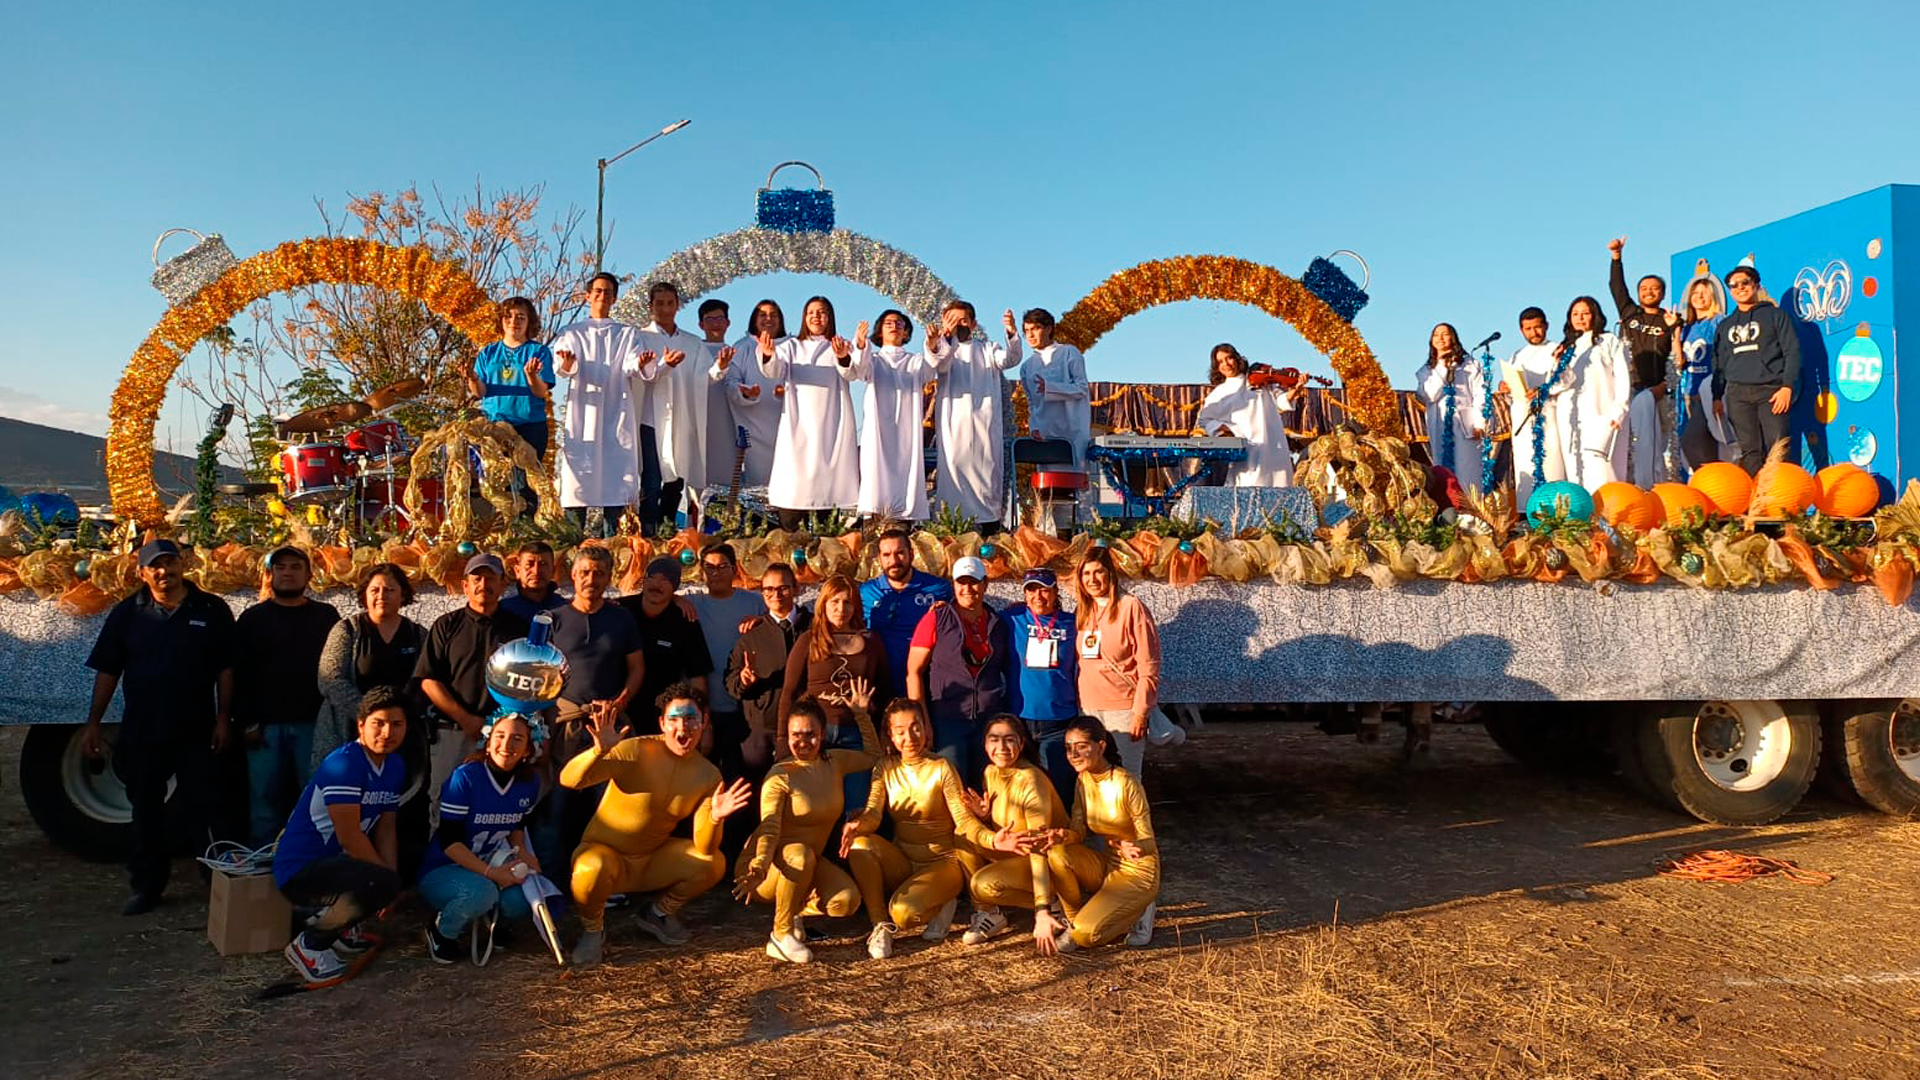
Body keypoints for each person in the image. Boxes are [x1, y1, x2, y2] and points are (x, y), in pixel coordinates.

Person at [82, 538, 235, 915]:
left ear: (183, 565)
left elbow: (226, 669)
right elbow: (108, 669)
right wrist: (93, 723)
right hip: (144, 730)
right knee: (146, 811)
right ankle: (147, 887)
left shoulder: (211, 609)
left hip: (196, 728)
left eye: (170, 563)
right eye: (155, 566)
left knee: (207, 807)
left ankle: (215, 883)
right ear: (142, 572)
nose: (164, 571)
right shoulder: (126, 613)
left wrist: (222, 718)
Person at [562, 683, 753, 964]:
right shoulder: (636, 750)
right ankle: (593, 931)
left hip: (650, 861)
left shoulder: (708, 775)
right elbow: (569, 780)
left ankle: (658, 913)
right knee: (592, 867)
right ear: (662, 723)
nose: (682, 728)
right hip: (606, 856)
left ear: (704, 722)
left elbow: (705, 846)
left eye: (690, 719)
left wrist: (714, 817)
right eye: (674, 719)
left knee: (713, 863)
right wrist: (598, 752)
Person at [839, 698, 1001, 958]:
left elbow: (963, 821)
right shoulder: (885, 767)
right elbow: (873, 814)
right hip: (903, 860)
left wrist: (993, 840)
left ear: (926, 728)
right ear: (890, 736)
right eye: (900, 731)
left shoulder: (941, 767)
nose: (910, 737)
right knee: (860, 843)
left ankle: (940, 902)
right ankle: (880, 925)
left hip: (942, 863)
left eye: (916, 727)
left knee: (904, 914)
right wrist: (857, 824)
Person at [731, 684, 879, 963]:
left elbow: (873, 757)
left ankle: (793, 910)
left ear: (822, 735)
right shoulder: (780, 776)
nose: (802, 742)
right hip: (768, 867)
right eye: (795, 735)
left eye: (810, 735)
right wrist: (759, 864)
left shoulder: (834, 761)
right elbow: (770, 827)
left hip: (807, 864)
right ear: (787, 737)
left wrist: (861, 715)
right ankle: (780, 933)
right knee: (799, 854)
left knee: (846, 901)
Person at [273, 686, 408, 984]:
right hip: (302, 869)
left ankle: (342, 927)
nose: (387, 732)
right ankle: (310, 944)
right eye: (379, 723)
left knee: (403, 866)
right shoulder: (344, 763)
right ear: (361, 725)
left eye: (397, 724)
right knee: (380, 881)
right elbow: (350, 837)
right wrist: (386, 883)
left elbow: (386, 828)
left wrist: (392, 879)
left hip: (338, 863)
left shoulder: (394, 765)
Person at [312, 562, 429, 877]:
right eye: (375, 589)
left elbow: (426, 681)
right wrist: (371, 717)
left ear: (403, 594)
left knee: (395, 810)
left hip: (400, 739)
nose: (382, 596)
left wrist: (396, 721)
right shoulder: (347, 630)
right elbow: (330, 678)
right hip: (347, 735)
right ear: (364, 593)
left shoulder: (418, 634)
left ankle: (393, 879)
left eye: (390, 590)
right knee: (348, 811)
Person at [538, 545, 645, 872]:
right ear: (572, 576)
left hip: (607, 727)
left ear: (609, 577)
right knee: (555, 806)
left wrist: (620, 701)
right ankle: (550, 881)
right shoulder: (552, 620)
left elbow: (637, 668)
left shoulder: (621, 618)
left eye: (599, 573)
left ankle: (603, 879)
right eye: (585, 572)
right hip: (563, 727)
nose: (591, 579)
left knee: (606, 809)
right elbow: (537, 675)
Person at [229, 546, 339, 845]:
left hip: (313, 726)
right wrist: (247, 722)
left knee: (314, 801)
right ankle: (261, 871)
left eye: (295, 567)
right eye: (280, 568)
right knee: (264, 805)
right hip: (264, 729)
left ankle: (311, 867)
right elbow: (238, 675)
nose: (287, 572)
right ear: (270, 575)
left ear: (309, 575)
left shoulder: (326, 616)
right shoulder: (253, 620)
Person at [958, 714, 1090, 952]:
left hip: (1048, 861)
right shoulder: (990, 772)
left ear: (1021, 743)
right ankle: (988, 914)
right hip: (1017, 853)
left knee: (982, 884)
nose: (1001, 748)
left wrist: (1041, 910)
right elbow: (1009, 823)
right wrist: (985, 816)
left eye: (1009, 740)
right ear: (985, 744)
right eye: (994, 740)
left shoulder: (1030, 779)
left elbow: (1040, 845)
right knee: (963, 836)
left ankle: (1053, 905)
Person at [726, 295, 860, 528]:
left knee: (828, 493)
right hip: (798, 426)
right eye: (811, 313)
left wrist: (842, 357)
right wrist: (768, 354)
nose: (816, 317)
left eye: (821, 312)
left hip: (832, 425)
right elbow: (773, 370)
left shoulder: (840, 345)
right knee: (794, 494)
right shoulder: (791, 346)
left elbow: (852, 374)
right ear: (804, 318)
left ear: (830, 317)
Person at [1028, 715, 1160, 952]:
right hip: (1108, 866)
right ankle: (1073, 921)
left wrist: (1137, 846)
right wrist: (1062, 836)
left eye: (1081, 747)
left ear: (1101, 746)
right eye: (1068, 748)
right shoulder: (1083, 780)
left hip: (1138, 871)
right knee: (1057, 854)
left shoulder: (1126, 783)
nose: (1073, 755)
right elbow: (1079, 830)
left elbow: (1149, 839)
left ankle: (1141, 909)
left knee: (1089, 937)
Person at [419, 712, 543, 964]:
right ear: (487, 740)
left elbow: (518, 824)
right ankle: (442, 931)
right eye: (500, 736)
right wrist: (491, 873)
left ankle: (497, 924)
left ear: (529, 749)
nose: (506, 745)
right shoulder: (467, 776)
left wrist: (521, 852)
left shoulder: (529, 782)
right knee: (482, 893)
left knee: (525, 892)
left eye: (517, 739)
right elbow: (450, 841)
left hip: (490, 862)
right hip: (445, 868)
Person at [415, 553, 531, 818]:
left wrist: (502, 728)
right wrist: (466, 719)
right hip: (453, 733)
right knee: (444, 803)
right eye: (476, 578)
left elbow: (530, 685)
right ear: (465, 585)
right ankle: (442, 860)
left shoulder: (518, 629)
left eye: (491, 578)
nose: (483, 584)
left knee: (495, 806)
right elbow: (429, 680)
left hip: (502, 738)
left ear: (503, 585)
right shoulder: (446, 625)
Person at [551, 272, 658, 534]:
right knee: (578, 479)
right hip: (583, 414)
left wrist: (642, 363)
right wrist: (567, 363)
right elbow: (563, 367)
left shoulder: (626, 334)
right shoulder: (572, 332)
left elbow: (633, 364)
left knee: (616, 479)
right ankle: (572, 545)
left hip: (616, 412)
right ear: (588, 296)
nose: (602, 296)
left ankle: (614, 544)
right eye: (597, 291)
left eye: (608, 292)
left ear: (615, 298)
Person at [779, 574, 890, 813]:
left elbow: (884, 691)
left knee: (856, 807)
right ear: (824, 604)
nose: (841, 609)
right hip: (817, 735)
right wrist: (781, 740)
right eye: (835, 602)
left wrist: (881, 729)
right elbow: (789, 692)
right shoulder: (808, 640)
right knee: (816, 806)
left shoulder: (872, 642)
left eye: (848, 602)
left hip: (858, 734)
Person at [906, 555, 1012, 787]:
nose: (967, 589)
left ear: (985, 584)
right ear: (953, 585)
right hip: (948, 719)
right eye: (961, 582)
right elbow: (913, 671)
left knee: (988, 788)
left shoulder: (998, 623)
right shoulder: (937, 617)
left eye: (973, 582)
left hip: (988, 721)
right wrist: (921, 720)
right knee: (952, 790)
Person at [1073, 545, 1166, 780]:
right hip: (1089, 707)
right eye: (1086, 573)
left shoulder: (1131, 607)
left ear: (1110, 574)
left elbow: (1149, 666)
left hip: (1124, 709)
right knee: (1092, 773)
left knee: (1126, 777)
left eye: (1099, 572)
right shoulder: (1083, 610)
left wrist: (1140, 713)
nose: (1092, 579)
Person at [926, 302, 1023, 525]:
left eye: (963, 320)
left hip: (984, 427)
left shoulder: (988, 349)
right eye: (952, 320)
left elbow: (1010, 359)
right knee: (953, 478)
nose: (958, 324)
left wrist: (1011, 332)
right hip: (954, 428)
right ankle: (952, 529)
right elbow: (937, 364)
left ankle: (989, 528)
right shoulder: (942, 348)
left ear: (973, 323)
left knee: (986, 480)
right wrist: (939, 341)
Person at [464, 296, 554, 516]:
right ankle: (500, 531)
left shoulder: (538, 352)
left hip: (529, 426)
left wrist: (531, 375)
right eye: (509, 316)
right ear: (501, 321)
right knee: (498, 482)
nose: (514, 321)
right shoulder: (488, 353)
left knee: (525, 486)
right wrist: (472, 379)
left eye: (521, 317)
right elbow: (480, 392)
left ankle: (525, 534)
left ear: (529, 322)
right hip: (496, 427)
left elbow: (541, 391)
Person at [685, 543, 765, 789]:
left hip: (742, 708)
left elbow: (781, 620)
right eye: (709, 567)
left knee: (740, 780)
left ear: (734, 569)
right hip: (703, 707)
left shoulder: (755, 602)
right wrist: (678, 603)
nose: (716, 573)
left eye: (722, 567)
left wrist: (761, 620)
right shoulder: (692, 602)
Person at [849, 309, 941, 522]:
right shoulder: (874, 360)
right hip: (878, 427)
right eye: (888, 322)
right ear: (880, 331)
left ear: (906, 333)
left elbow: (929, 372)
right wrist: (861, 344)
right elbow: (860, 370)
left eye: (899, 323)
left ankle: (905, 519)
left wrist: (932, 346)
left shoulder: (914, 361)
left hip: (906, 430)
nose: (894, 326)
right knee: (876, 472)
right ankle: (875, 518)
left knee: (906, 471)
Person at [635, 281, 711, 529]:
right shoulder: (641, 337)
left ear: (678, 305)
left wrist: (720, 367)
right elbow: (641, 374)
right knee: (651, 481)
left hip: (681, 418)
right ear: (650, 306)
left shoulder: (692, 343)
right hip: (650, 419)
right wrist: (663, 365)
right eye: (660, 303)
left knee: (676, 479)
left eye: (670, 303)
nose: (665, 309)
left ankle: (667, 532)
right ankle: (647, 533)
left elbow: (706, 376)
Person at [1713, 265, 1802, 474]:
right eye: (1734, 286)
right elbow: (1719, 363)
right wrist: (1717, 396)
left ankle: (1782, 502)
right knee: (1749, 451)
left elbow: (1793, 352)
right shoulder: (1725, 326)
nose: (1740, 288)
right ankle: (1758, 501)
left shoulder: (1775, 315)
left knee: (1779, 449)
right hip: (1738, 394)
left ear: (1756, 285)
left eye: (1745, 283)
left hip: (1771, 391)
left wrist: (1787, 386)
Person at [1000, 568, 1080, 801]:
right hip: (1020, 718)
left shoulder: (1073, 623)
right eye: (1031, 590)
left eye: (1044, 589)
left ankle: (1063, 834)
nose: (1038, 596)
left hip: (1059, 720)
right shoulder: (1011, 620)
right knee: (1020, 785)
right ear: (1024, 594)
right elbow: (975, 613)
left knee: (1057, 785)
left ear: (1055, 592)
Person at [725, 562, 812, 774]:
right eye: (769, 589)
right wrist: (744, 681)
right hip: (761, 728)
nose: (776, 594)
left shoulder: (814, 627)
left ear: (796, 589)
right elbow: (730, 681)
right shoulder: (752, 634)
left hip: (804, 725)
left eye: (783, 588)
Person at [615, 557, 711, 732]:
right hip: (617, 712)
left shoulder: (685, 620)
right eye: (652, 578)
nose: (657, 585)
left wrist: (703, 725)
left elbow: (697, 677)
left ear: (674, 587)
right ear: (644, 580)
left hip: (663, 717)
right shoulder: (620, 610)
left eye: (666, 580)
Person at [1548, 296, 1632, 492]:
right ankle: (1584, 514)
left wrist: (1620, 410)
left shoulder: (1608, 340)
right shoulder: (1566, 346)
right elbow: (1557, 386)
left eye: (1585, 313)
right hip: (1570, 416)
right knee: (1576, 467)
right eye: (1575, 314)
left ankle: (1610, 513)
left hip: (1602, 412)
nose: (1580, 318)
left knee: (1602, 467)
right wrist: (1559, 364)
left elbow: (1623, 376)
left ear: (1595, 315)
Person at [860, 527, 952, 700]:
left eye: (899, 553)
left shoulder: (939, 588)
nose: (893, 560)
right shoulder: (865, 592)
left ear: (911, 553)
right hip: (881, 688)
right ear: (879, 559)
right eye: (886, 555)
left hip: (927, 686)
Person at [1194, 343, 1300, 487]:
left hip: (1273, 447)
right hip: (1247, 452)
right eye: (1220, 362)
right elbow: (1204, 420)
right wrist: (1224, 428)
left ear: (1237, 359)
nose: (1226, 364)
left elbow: (1281, 401)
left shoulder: (1262, 381)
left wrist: (1296, 389)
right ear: (1217, 368)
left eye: (1229, 358)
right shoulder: (1219, 393)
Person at [718, 299, 787, 488]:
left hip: (789, 428)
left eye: (773, 315)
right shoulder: (742, 347)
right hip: (754, 431)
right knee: (760, 487)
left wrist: (787, 391)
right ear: (754, 320)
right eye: (762, 315)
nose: (768, 319)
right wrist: (746, 393)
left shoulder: (792, 345)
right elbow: (730, 382)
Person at [1501, 307, 1566, 505]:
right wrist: (1506, 389)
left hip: (1548, 415)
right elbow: (1513, 392)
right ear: (1521, 330)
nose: (1534, 333)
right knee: (1525, 462)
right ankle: (1527, 513)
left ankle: (1556, 512)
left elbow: (1564, 380)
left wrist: (1543, 389)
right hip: (1522, 416)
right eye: (1528, 329)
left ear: (1546, 326)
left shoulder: (1556, 349)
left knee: (1551, 463)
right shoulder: (1517, 355)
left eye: (1537, 327)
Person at [1413, 324, 1488, 492]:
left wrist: (1480, 422)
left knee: (1468, 470)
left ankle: (1473, 511)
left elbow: (1480, 393)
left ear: (1453, 338)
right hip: (1439, 423)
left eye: (1445, 334)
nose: (1440, 338)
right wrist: (1443, 367)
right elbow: (1430, 395)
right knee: (1443, 469)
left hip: (1465, 424)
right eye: (1436, 335)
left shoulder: (1470, 364)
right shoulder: (1425, 371)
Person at [1019, 308, 1092, 471]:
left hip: (1071, 432)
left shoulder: (1068, 352)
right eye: (1026, 331)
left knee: (1074, 485)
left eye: (1035, 329)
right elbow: (1031, 403)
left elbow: (1082, 388)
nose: (1030, 335)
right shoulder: (1026, 367)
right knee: (1048, 486)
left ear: (1049, 328)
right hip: (1044, 435)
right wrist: (1034, 427)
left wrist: (1050, 388)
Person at [1676, 275, 1735, 472]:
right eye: (1695, 293)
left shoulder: (1718, 321)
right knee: (1697, 444)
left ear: (1713, 297)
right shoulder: (1687, 327)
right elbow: (1679, 362)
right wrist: (1675, 336)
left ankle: (1720, 483)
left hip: (1710, 391)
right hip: (1689, 393)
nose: (1699, 297)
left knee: (1695, 440)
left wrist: (1715, 390)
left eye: (1704, 293)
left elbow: (1726, 356)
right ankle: (1712, 488)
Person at [695, 298, 742, 495]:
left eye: (720, 318)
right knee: (698, 486)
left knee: (726, 484)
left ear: (728, 322)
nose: (715, 323)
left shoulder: (738, 353)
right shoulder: (694, 351)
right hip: (700, 426)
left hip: (729, 428)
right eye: (710, 319)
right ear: (701, 324)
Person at [1627, 352, 1671, 488]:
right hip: (1635, 390)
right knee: (1639, 447)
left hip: (1656, 391)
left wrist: (1666, 384)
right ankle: (1645, 487)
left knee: (1650, 446)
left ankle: (1651, 489)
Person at [499, 540, 568, 622]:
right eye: (529, 564)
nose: (536, 571)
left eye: (543, 564)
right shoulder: (502, 609)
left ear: (553, 570)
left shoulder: (564, 608)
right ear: (517, 571)